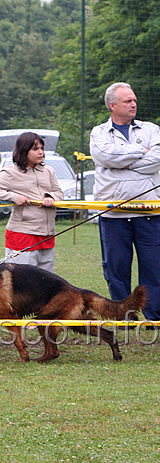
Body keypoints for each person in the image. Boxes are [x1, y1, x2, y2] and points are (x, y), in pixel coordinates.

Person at [89, 82, 160, 323]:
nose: (133, 104)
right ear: (112, 105)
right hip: (113, 215)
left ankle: (153, 316)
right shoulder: (99, 133)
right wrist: (142, 151)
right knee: (116, 269)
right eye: (127, 100)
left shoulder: (151, 129)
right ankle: (124, 317)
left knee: (154, 268)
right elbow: (105, 156)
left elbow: (157, 158)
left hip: (150, 212)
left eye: (134, 100)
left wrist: (122, 161)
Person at [0, 131, 63, 273]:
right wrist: (14, 197)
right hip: (22, 235)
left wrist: (51, 197)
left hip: (47, 234)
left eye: (42, 148)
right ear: (23, 150)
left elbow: (59, 193)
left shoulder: (49, 171)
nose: (40, 152)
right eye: (35, 149)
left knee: (47, 283)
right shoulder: (10, 172)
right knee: (22, 283)